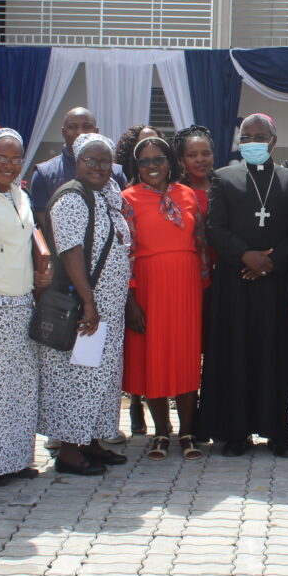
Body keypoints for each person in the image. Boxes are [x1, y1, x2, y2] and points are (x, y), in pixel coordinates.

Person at [198, 114, 288, 458]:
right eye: (246, 137)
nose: (253, 142)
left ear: (273, 141)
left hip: (276, 286)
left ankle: (278, 432)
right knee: (235, 355)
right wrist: (246, 256)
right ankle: (236, 432)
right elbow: (214, 228)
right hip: (235, 284)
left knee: (278, 357)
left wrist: (270, 262)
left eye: (260, 136)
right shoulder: (224, 177)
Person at [38, 134, 132, 476]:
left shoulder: (105, 196)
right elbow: (71, 251)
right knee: (79, 377)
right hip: (85, 309)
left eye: (105, 161)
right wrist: (89, 302)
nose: (98, 167)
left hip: (108, 309)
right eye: (90, 161)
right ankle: (69, 451)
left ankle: (91, 439)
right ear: (76, 162)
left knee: (101, 377)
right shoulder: (72, 198)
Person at [122, 137, 209, 461]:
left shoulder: (187, 195)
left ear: (170, 161)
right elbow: (125, 252)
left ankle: (187, 432)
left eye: (158, 159)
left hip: (185, 288)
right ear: (137, 167)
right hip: (148, 286)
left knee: (186, 358)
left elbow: (200, 246)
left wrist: (204, 289)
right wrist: (130, 300)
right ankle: (161, 432)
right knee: (152, 358)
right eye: (144, 162)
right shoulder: (127, 199)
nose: (152, 166)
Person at [0, 129, 48, 485]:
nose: (8, 165)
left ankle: (17, 459)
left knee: (20, 389)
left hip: (22, 306)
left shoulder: (21, 195)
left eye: (15, 158)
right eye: (1, 157)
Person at [114, 123, 161, 436]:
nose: (150, 159)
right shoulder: (124, 196)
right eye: (142, 152)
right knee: (138, 348)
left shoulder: (170, 191)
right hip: (138, 284)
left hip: (167, 285)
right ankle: (135, 407)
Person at [30, 108, 128, 234]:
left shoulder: (116, 172)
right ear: (63, 132)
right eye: (72, 127)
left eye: (86, 127)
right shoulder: (44, 173)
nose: (80, 132)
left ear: (96, 132)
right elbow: (44, 224)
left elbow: (123, 216)